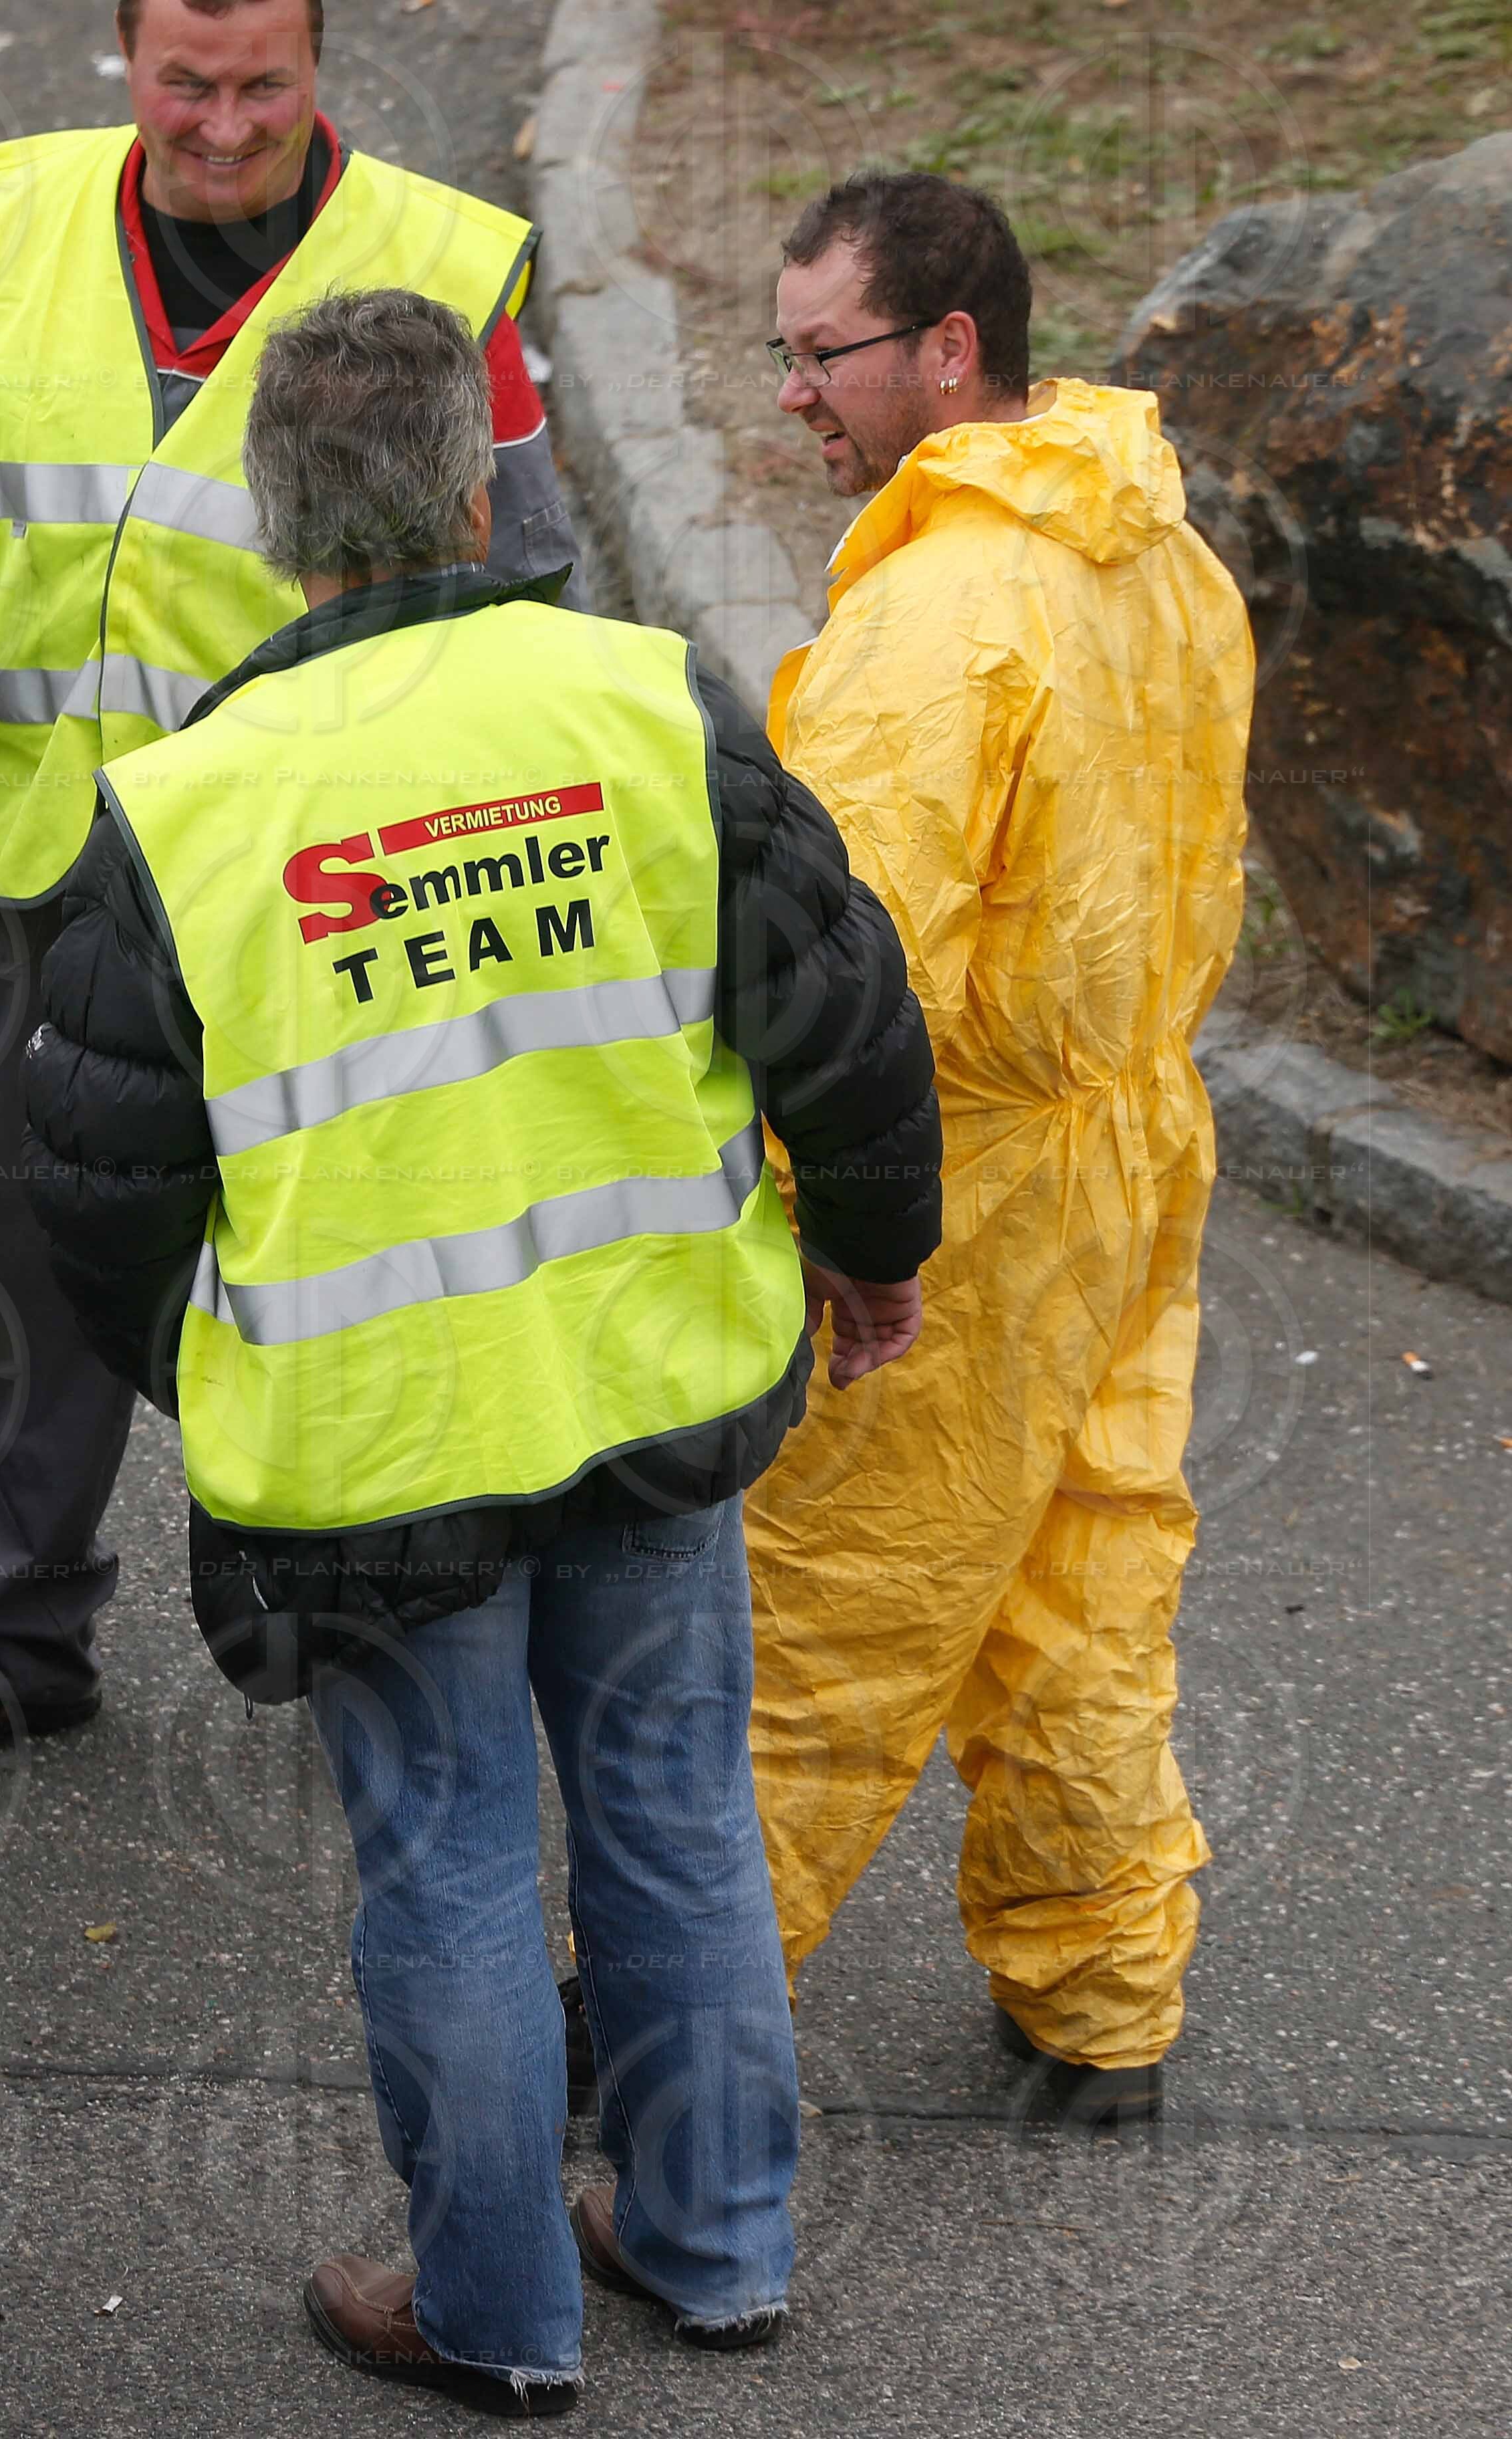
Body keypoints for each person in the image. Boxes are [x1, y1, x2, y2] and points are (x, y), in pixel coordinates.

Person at [22, 289, 940, 2412]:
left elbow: (92, 1188)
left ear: (278, 528)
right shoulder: (646, 708)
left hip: (377, 1448)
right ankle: (714, 2248)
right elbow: (847, 1014)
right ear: (474, 483)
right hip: (652, 1385)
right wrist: (876, 1256)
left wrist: (220, 1355)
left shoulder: (186, 810)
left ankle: (499, 2314)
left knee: (444, 1857)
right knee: (676, 1812)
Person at [0, 0, 585, 1783]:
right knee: (44, 1265)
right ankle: (11, 1641)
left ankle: (378, 1620)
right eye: (185, 84)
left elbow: (530, 569)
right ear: (127, 67)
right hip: (61, 875)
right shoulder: (24, 229)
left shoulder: (444, 269)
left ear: (320, 79)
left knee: (358, 1246)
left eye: (261, 90)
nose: (222, 127)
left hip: (317, 886)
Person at [744, 170, 1252, 2123]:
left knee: (829, 1616)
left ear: (946, 349)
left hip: (962, 1195)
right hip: (1134, 1151)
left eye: (823, 355)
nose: (797, 396)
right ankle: (1100, 1999)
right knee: (1089, 1571)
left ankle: (650, 2020)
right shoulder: (1158, 548)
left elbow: (840, 965)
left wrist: (801, 1206)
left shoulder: (944, 615)